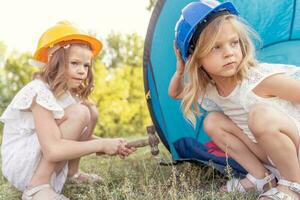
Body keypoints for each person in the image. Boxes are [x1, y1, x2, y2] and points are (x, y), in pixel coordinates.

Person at [169, 0, 300, 199]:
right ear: (197, 60)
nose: (229, 52)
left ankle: (292, 186)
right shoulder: (211, 89)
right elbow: (176, 93)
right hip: (272, 156)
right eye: (216, 47)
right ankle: (263, 178)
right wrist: (180, 70)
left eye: (234, 42)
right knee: (213, 121)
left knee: (260, 115)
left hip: (295, 149)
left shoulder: (258, 79)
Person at [0, 21, 135, 200]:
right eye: (75, 63)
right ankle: (36, 188)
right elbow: (53, 148)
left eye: (86, 65)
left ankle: (72, 173)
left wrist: (110, 143)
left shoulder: (64, 96)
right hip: (22, 162)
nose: (82, 71)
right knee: (81, 112)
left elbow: (72, 134)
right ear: (55, 63)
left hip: (43, 152)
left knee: (89, 109)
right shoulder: (38, 92)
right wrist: (100, 145)